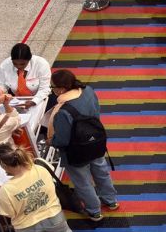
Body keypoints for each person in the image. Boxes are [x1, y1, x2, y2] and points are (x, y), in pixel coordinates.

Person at [47, 69, 117, 222]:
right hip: (96, 143)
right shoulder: (89, 91)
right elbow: (97, 113)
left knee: (83, 182)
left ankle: (94, 211)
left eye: (52, 87)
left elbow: (63, 140)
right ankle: (110, 200)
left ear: (61, 89)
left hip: (76, 153)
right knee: (101, 171)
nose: (52, 91)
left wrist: (51, 141)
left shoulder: (63, 111)